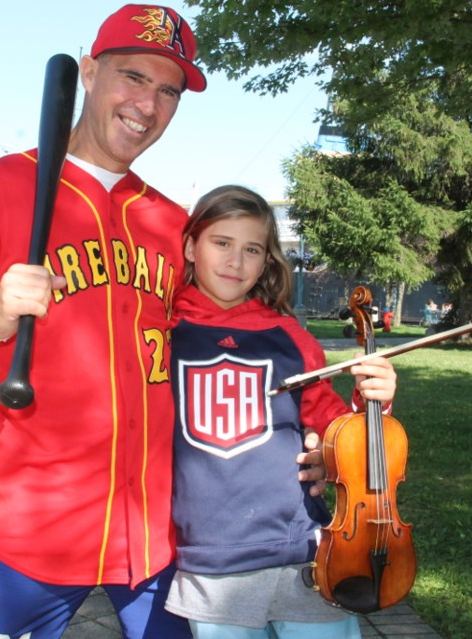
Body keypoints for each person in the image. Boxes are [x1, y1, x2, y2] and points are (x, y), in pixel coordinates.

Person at [0, 6, 324, 639]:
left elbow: (241, 341)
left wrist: (309, 433)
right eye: (133, 77)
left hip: (155, 540)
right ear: (89, 72)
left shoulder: (171, 222)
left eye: (168, 90)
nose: (148, 104)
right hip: (28, 533)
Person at [164, 185, 398, 638]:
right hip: (212, 560)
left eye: (252, 249)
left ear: (268, 260)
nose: (236, 261)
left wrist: (372, 403)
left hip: (303, 552)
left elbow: (333, 425)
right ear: (191, 246)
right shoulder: (163, 330)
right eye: (222, 243)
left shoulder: (290, 336)